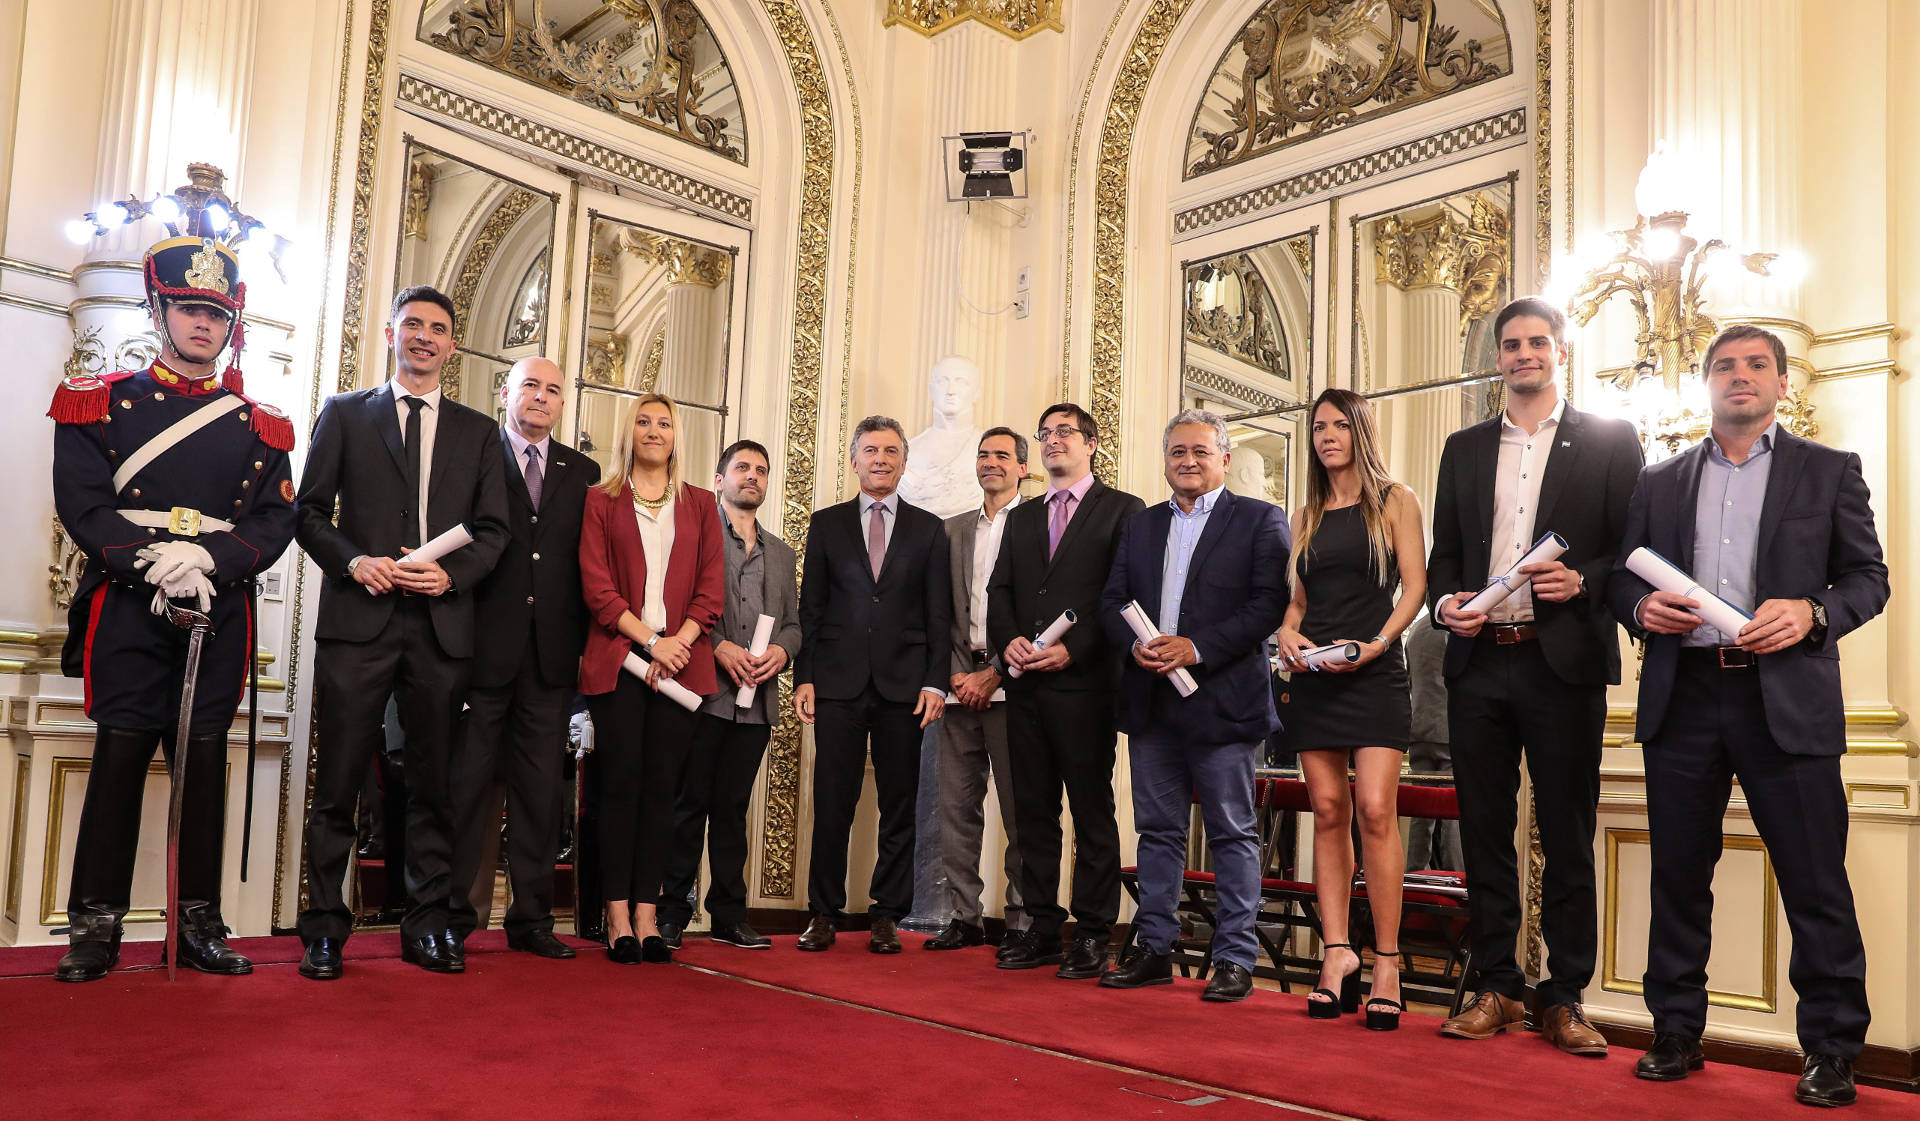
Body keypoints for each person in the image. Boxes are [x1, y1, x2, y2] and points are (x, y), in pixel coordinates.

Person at [1612, 325, 1887, 1108]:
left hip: (1786, 701)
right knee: (1677, 877)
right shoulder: (1660, 479)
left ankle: (1831, 1048)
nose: (1741, 375)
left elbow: (1868, 578)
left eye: (1757, 364)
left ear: (1781, 382)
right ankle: (1675, 1031)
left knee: (1815, 880)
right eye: (1726, 365)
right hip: (1685, 697)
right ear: (1706, 383)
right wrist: (1641, 609)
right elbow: (1620, 581)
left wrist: (1812, 611)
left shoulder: (1829, 470)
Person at [48, 234, 297, 982]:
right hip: (130, 603)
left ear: (231, 324)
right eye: (190, 309)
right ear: (160, 311)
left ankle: (198, 924)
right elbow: (83, 505)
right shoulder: (99, 402)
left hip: (216, 609)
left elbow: (273, 520)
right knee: (119, 762)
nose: (203, 324)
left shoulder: (259, 424)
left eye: (216, 314)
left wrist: (210, 559)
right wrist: (152, 560)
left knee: (203, 769)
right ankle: (95, 927)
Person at [1426, 296, 1643, 1053]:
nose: (1525, 354)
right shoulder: (1462, 447)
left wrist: (1583, 580)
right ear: (1498, 358)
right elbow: (1446, 556)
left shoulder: (1611, 439)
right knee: (1485, 832)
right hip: (1479, 660)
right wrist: (1444, 602)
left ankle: (1565, 995)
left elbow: (1633, 548)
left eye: (1538, 342)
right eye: (1513, 344)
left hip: (1563, 662)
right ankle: (1497, 986)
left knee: (1568, 832)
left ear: (1560, 351)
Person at [295, 285, 509, 979]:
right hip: (357, 624)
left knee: (433, 785)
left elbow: (494, 531)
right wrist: (354, 562)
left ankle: (428, 926)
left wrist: (452, 576)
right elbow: (308, 513)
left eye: (437, 328)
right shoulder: (344, 414)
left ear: (452, 345)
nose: (424, 336)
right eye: (412, 324)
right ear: (391, 334)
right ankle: (325, 931)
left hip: (440, 630)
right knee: (339, 782)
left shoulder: (479, 432)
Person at [1097, 409, 1291, 1002]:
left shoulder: (1260, 519)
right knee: (1157, 830)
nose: (1188, 461)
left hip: (1223, 702)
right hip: (1151, 702)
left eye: (1201, 452)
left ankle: (1233, 958)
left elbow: (1268, 605)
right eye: (1178, 451)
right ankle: (1155, 948)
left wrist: (1196, 648)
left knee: (1232, 832)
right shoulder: (1141, 525)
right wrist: (1135, 645)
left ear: (1224, 459)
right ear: (1165, 460)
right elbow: (1112, 599)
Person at [1275, 388, 1426, 1029]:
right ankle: (1337, 954)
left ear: (1361, 431)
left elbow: (1415, 588)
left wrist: (1379, 644)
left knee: (1375, 811)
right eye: (1319, 427)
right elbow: (1298, 602)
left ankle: (1386, 961)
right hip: (1314, 676)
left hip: (1375, 671)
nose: (1327, 436)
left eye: (1340, 425)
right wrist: (1286, 632)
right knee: (1329, 811)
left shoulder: (1395, 500)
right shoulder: (1306, 514)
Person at [448, 357, 601, 959]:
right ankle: (457, 920)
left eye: (553, 389)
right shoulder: (476, 454)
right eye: (530, 385)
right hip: (480, 653)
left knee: (540, 796)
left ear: (563, 403)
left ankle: (532, 922)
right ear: (505, 393)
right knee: (470, 792)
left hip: (550, 659)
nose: (541, 397)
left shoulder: (582, 472)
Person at [989, 404, 1144, 976]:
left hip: (1086, 686)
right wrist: (1007, 642)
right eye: (1046, 433)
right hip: (1025, 686)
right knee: (1033, 813)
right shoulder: (1022, 517)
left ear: (1091, 443)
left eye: (1065, 432)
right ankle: (1042, 927)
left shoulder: (1123, 510)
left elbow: (1123, 595)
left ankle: (1094, 932)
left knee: (1091, 811)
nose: (1054, 440)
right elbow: (1000, 591)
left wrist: (1075, 649)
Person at [793, 416, 950, 954]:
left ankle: (887, 914)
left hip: (905, 688)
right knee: (832, 802)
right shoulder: (826, 524)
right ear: (854, 460)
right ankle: (823, 913)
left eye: (890, 451)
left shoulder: (929, 529)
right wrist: (805, 676)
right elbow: (811, 608)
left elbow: (939, 614)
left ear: (904, 462)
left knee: (900, 804)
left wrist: (936, 683)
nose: (880, 459)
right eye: (870, 450)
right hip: (836, 684)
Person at [577, 394, 724, 964]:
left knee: (664, 791)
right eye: (644, 421)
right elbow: (597, 586)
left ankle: (648, 914)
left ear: (676, 435)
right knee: (620, 787)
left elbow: (710, 587)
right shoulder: (601, 500)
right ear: (629, 432)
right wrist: (650, 641)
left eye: (664, 423)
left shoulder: (700, 504)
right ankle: (616, 914)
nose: (654, 430)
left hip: (681, 664)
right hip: (621, 658)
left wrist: (677, 644)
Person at [656, 439, 800, 952]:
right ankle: (672, 912)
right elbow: (675, 607)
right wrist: (718, 647)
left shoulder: (782, 553)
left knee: (733, 808)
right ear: (719, 480)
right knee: (688, 805)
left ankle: (729, 916)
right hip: (701, 693)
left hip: (756, 702)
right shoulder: (694, 536)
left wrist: (781, 651)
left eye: (761, 469)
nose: (752, 476)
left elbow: (794, 625)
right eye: (742, 468)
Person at [924, 427, 1030, 952]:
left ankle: (1021, 921)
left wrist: (998, 674)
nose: (991, 462)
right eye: (984, 454)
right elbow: (938, 612)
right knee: (956, 809)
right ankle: (964, 917)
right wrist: (955, 675)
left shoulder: (1036, 526)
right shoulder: (951, 530)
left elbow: (1038, 611)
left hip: (1017, 686)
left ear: (1022, 468)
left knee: (1020, 812)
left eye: (1002, 456)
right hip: (959, 685)